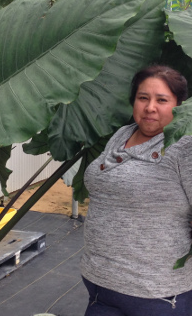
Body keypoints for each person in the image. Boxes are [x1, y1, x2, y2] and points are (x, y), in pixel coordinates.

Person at [81, 65, 192, 315]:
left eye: (161, 100)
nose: (150, 107)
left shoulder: (185, 146)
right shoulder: (123, 133)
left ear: (179, 105)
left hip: (157, 295)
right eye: (143, 98)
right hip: (101, 285)